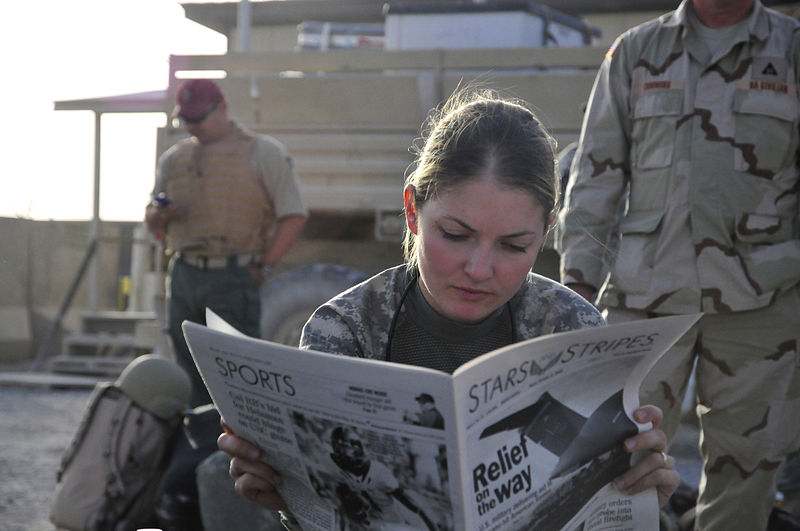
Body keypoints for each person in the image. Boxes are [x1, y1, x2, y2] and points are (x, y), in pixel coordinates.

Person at [218, 89, 681, 529]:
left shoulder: (572, 329)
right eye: (456, 236)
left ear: (546, 233)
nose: (479, 269)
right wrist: (286, 498)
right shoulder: (344, 330)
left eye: (514, 246)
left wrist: (638, 497)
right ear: (412, 211)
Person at [556, 1, 800, 529]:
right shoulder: (637, 52)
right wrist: (573, 297)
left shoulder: (792, 49)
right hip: (645, 300)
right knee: (618, 461)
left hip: (762, 304)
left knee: (749, 470)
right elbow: (595, 177)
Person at [145, 79, 307, 407]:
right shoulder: (174, 158)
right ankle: (199, 447)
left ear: (221, 109)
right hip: (184, 274)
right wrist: (160, 215)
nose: (192, 127)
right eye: (185, 120)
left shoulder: (262, 151)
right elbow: (152, 220)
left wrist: (262, 268)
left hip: (233, 277)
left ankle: (239, 453)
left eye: (198, 118)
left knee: (239, 373)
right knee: (188, 372)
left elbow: (294, 215)